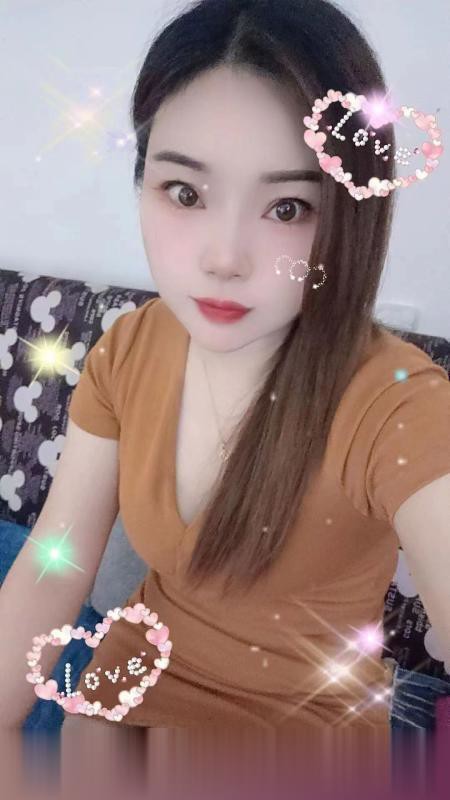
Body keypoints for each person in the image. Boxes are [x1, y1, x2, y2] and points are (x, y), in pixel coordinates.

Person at [1, 0, 449, 752]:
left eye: (288, 207)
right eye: (185, 193)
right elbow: (56, 566)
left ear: (351, 215)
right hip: (118, 704)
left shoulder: (393, 404)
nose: (224, 257)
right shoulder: (129, 348)